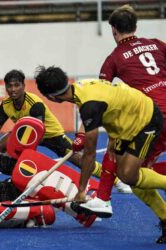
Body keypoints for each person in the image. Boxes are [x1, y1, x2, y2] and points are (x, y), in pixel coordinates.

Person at [34, 65, 166, 244]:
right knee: (130, 179)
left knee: (128, 175)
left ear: (51, 97)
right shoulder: (81, 87)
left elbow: (89, 154)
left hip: (146, 120)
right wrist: (112, 135)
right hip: (126, 124)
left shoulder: (89, 106)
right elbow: (112, 103)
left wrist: (81, 191)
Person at [74, 4, 166, 227]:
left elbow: (99, 100)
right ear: (136, 26)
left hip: (154, 118)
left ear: (114, 30)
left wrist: (85, 133)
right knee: (138, 170)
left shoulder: (113, 58)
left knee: (128, 169)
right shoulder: (157, 44)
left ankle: (104, 199)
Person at [0, 69, 131, 193]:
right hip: (26, 132)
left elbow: (37, 131)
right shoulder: (5, 105)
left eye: (17, 85)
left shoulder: (35, 105)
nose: (13, 89)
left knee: (79, 160)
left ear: (23, 86)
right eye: (10, 86)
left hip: (50, 134)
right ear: (5, 87)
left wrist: (16, 148)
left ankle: (117, 180)